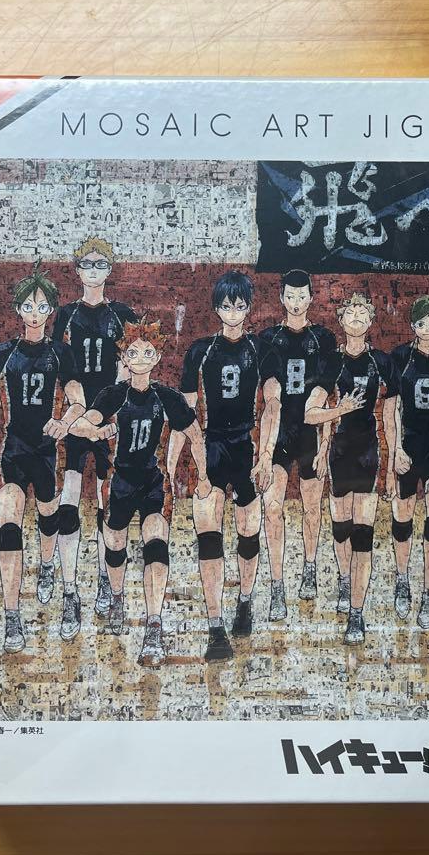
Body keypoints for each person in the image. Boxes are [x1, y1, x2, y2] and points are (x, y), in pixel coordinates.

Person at [69, 320, 205, 666]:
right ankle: (117, 596)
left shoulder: (168, 397)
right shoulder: (114, 395)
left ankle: (153, 625)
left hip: (154, 482)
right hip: (120, 482)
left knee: (155, 542)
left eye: (147, 352)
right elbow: (82, 423)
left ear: (157, 357)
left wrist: (203, 475)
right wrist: (96, 431)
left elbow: (196, 436)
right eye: (133, 352)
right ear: (124, 358)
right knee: (115, 545)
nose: (140, 358)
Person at [170, 271, 281, 661]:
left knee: (249, 533)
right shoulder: (200, 351)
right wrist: (184, 466)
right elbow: (184, 416)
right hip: (212, 446)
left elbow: (273, 404)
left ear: (248, 309)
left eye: (240, 306)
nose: (233, 313)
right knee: (209, 536)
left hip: (245, 447)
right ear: (217, 308)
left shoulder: (262, 349)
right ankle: (216, 626)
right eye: (226, 306)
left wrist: (266, 455)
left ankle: (245, 600)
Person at [0, 266, 85, 652]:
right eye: (27, 306)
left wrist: (64, 422)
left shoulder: (60, 353)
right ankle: (12, 615)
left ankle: (48, 565)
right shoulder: (5, 353)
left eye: (41, 307)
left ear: (50, 309)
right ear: (18, 309)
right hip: (14, 451)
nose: (34, 313)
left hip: (47, 452)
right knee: (8, 520)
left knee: (48, 517)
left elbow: (77, 399)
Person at [52, 237, 138, 625]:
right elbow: (61, 371)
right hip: (76, 417)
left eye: (100, 264)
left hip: (108, 420)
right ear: (77, 269)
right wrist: (81, 419)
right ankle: (70, 591)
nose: (93, 270)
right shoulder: (65, 315)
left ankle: (105, 579)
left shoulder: (121, 314)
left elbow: (127, 371)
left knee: (107, 502)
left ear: (109, 269)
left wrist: (103, 419)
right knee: (69, 500)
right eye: (86, 263)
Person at [305, 293, 398, 645]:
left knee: (363, 535)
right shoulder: (332, 361)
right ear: (342, 320)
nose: (356, 317)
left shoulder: (381, 361)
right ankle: (344, 579)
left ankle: (357, 613)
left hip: (367, 452)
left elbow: (392, 414)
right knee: (341, 530)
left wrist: (393, 460)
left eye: (363, 312)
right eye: (350, 312)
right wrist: (338, 411)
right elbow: (310, 414)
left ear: (371, 320)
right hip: (340, 452)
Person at [259, 270, 337, 610]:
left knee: (311, 507)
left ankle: (309, 566)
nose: (295, 302)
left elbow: (324, 395)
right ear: (281, 297)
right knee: (272, 507)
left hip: (309, 431)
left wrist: (324, 445)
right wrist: (265, 453)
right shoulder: (268, 338)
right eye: (289, 296)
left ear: (311, 297)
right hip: (279, 432)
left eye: (301, 296)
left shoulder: (323, 338)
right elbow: (270, 394)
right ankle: (277, 583)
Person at [390, 295, 429, 628]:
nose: (426, 330)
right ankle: (402, 579)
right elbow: (393, 408)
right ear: (412, 325)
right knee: (402, 517)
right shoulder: (401, 356)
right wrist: (396, 450)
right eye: (420, 324)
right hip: (409, 443)